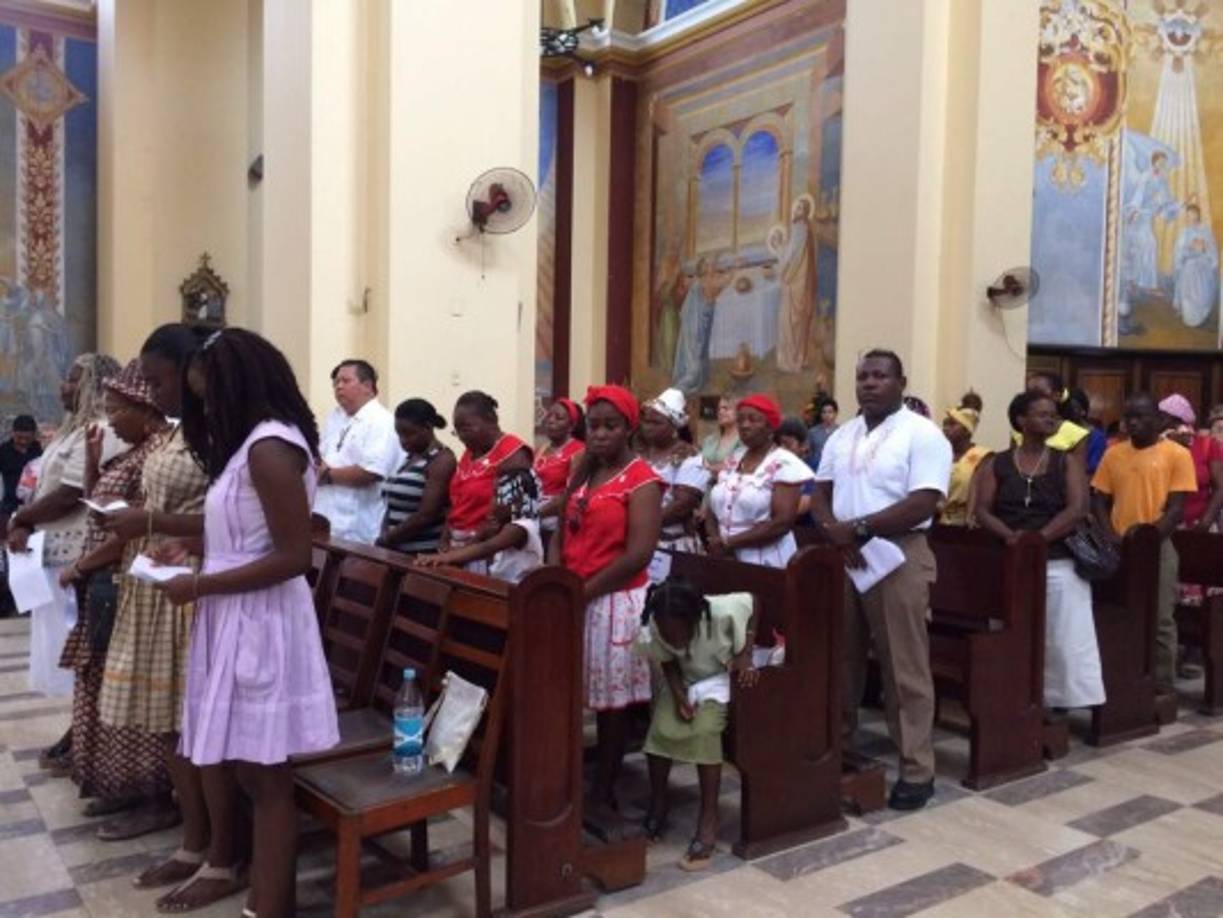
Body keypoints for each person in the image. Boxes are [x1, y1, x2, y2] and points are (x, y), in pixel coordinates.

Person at [162, 328, 339, 918]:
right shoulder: (249, 447)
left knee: (266, 778)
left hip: (260, 620)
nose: (207, 409)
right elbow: (241, 533)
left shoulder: (269, 447)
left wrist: (202, 583)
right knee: (247, 768)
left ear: (239, 385)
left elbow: (294, 556)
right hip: (234, 613)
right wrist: (184, 550)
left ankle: (269, 909)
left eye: (210, 395)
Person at [99, 324, 242, 910]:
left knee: (200, 729)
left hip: (200, 589)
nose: (153, 391)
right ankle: (193, 843)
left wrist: (153, 526)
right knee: (167, 723)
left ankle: (223, 855)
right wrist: (143, 522)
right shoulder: (179, 432)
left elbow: (239, 527)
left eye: (161, 379)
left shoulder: (230, 435)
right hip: (160, 579)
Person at [812, 349, 951, 811]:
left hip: (898, 554)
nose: (869, 383)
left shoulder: (922, 434)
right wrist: (834, 531)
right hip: (846, 554)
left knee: (903, 667)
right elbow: (821, 493)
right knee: (842, 658)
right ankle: (842, 750)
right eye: (863, 376)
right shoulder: (841, 435)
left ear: (901, 381)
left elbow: (924, 501)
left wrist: (862, 527)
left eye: (880, 376)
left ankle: (916, 768)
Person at [57, 361, 174, 819]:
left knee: (124, 687)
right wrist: (91, 462)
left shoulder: (155, 454)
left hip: (125, 582)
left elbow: (132, 529)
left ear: (144, 409)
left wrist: (83, 564)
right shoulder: (131, 451)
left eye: (116, 410)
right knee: (100, 682)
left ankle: (142, 788)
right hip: (104, 581)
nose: (109, 421)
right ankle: (111, 782)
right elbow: (100, 510)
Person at [550, 385, 661, 828]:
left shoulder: (643, 479)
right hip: (575, 593)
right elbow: (562, 524)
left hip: (616, 599)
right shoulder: (583, 468)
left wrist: (584, 591)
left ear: (628, 429)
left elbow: (639, 553)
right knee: (577, 690)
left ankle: (605, 788)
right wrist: (557, 578)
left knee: (613, 704)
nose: (599, 435)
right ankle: (573, 772)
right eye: (593, 425)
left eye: (610, 426)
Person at [974, 391, 1105, 713]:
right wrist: (1011, 538)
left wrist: (1038, 540)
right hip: (1011, 558)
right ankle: (1014, 695)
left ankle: (1059, 701)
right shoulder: (997, 463)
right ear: (1021, 420)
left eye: (1053, 414)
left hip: (1057, 558)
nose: (1051, 419)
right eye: (1042, 413)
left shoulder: (1066, 461)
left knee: (1063, 635)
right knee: (1011, 631)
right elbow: (983, 510)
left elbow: (1077, 508)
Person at [8, 354, 121, 724]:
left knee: (73, 647)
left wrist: (20, 518)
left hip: (76, 555)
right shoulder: (73, 429)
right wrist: (23, 524)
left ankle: (80, 731)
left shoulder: (102, 428)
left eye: (72, 379)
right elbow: (45, 488)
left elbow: (69, 494)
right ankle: (74, 728)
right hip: (50, 549)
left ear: (94, 385)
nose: (63, 385)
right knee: (56, 644)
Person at [636, 581, 757, 870]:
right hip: (684, 682)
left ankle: (709, 818)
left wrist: (745, 653)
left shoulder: (721, 612)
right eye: (666, 633)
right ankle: (658, 805)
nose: (673, 639)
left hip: (717, 680)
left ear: (694, 619)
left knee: (704, 733)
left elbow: (753, 600)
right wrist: (678, 696)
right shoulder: (655, 622)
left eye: (678, 633)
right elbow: (666, 661)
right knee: (660, 731)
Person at [1091, 393, 1197, 692]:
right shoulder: (1114, 453)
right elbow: (1099, 499)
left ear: (1159, 420)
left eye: (1140, 417)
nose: (1132, 423)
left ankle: (1162, 684)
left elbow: (1176, 508)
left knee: (1161, 616)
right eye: (1129, 417)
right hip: (1118, 544)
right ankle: (1123, 675)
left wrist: (1148, 540)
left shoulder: (1176, 454)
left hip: (1156, 545)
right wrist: (1109, 533)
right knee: (1119, 612)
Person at [706, 394, 812, 568]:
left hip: (765, 560)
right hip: (725, 557)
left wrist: (730, 543)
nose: (745, 425)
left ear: (771, 427)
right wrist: (715, 539)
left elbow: (782, 523)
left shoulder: (784, 463)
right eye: (740, 420)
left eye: (753, 420)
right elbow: (714, 504)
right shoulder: (734, 459)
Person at [313, 359, 399, 544]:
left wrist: (327, 475)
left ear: (367, 386)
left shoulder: (381, 421)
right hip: (323, 520)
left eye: (345, 381)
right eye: (336, 382)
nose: (338, 387)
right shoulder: (335, 417)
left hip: (356, 528)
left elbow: (372, 471)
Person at [444, 391, 532, 564]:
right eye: (457, 430)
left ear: (491, 420)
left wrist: (471, 544)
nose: (462, 435)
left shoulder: (513, 453)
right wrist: (446, 535)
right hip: (457, 545)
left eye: (466, 428)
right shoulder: (471, 450)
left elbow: (508, 515)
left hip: (487, 550)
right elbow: (458, 498)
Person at [417, 467, 544, 582]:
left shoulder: (521, 527)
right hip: (500, 586)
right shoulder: (504, 526)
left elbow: (486, 548)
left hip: (514, 593)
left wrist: (444, 558)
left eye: (497, 495)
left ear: (518, 500)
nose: (491, 501)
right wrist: (483, 534)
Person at [639, 388, 709, 583]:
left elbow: (682, 506)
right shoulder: (639, 455)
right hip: (639, 542)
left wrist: (639, 525)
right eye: (646, 421)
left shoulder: (691, 456)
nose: (647, 427)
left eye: (656, 423)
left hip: (672, 545)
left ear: (674, 427)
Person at [377, 399, 456, 555]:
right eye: (399, 434)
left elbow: (426, 515)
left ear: (427, 427)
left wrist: (386, 539)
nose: (403, 441)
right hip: (395, 549)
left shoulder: (442, 460)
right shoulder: (410, 457)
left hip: (421, 553)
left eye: (408, 434)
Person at [1158, 394, 1223, 532]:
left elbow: (1220, 488)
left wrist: (1204, 523)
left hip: (1198, 524)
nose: (1159, 423)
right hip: (1160, 524)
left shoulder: (1207, 445)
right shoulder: (1156, 445)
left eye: (1163, 419)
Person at [534, 397, 585, 533]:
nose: (551, 421)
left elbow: (571, 494)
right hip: (534, 515)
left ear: (571, 426)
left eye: (558, 418)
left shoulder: (579, 451)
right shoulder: (539, 450)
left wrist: (536, 513)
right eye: (550, 415)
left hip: (556, 521)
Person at [1021, 372, 1090, 458]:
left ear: (1056, 396)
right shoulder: (1019, 429)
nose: (1030, 397)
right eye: (1028, 391)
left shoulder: (1076, 435)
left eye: (1037, 392)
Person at [940, 405, 988, 526]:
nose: (945, 429)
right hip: (936, 523)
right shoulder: (937, 454)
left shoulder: (983, 456)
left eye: (952, 424)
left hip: (968, 525)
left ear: (967, 430)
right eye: (944, 424)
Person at [1172, 203, 1219, 328]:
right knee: (1189, 276)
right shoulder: (1185, 233)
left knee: (1205, 284)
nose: (1191, 217)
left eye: (1194, 214)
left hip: (1204, 263)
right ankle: (1191, 317)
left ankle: (1203, 316)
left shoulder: (1205, 230)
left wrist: (1204, 249)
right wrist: (1190, 248)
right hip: (1190, 263)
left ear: (1198, 215)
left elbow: (1212, 249)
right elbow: (1179, 252)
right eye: (1189, 215)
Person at [776, 417, 816, 522]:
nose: (782, 449)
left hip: (805, 530)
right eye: (779, 445)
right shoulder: (775, 467)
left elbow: (802, 507)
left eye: (788, 444)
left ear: (803, 445)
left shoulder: (810, 470)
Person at [0, 414, 41, 516]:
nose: (23, 441)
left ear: (34, 435)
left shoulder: (39, 452)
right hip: (8, 506)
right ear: (12, 433)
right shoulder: (3, 451)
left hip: (33, 506)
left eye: (27, 438)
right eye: (19, 437)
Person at [699, 395, 741, 474]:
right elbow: (700, 461)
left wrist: (708, 467)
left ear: (738, 412)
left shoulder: (743, 440)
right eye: (719, 409)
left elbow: (736, 465)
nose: (721, 412)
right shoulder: (709, 440)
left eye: (726, 408)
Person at [805, 397, 838, 474]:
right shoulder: (813, 432)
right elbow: (808, 453)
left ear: (835, 413)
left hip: (835, 469)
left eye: (830, 412)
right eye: (824, 412)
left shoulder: (841, 432)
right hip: (817, 469)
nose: (827, 415)